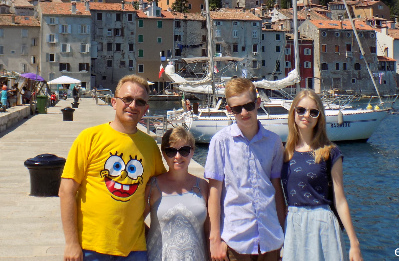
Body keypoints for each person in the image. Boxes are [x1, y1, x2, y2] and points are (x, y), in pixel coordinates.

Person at [59, 75, 166, 261]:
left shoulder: (150, 146)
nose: (133, 106)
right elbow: (66, 191)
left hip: (134, 248)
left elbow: (164, 186)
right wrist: (71, 243)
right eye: (127, 99)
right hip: (91, 246)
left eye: (140, 102)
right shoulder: (89, 138)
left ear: (146, 109)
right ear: (114, 102)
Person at [205, 78, 285, 261]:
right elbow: (214, 192)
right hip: (236, 240)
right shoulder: (220, 141)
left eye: (248, 105)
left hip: (270, 237)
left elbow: (276, 189)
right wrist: (215, 239)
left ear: (258, 103)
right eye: (236, 108)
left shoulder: (273, 142)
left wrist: (284, 231)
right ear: (229, 109)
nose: (244, 112)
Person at [281, 90, 363, 261]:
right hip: (293, 225)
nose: (306, 115)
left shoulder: (330, 153)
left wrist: (354, 243)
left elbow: (340, 200)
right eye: (301, 110)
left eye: (313, 112)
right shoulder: (284, 153)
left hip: (323, 224)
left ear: (319, 117)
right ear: (293, 112)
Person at [145, 126, 208, 261]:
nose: (178, 156)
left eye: (184, 150)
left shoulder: (203, 186)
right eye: (171, 151)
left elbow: (210, 229)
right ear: (163, 154)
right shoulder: (152, 186)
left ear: (192, 152)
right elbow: (135, 222)